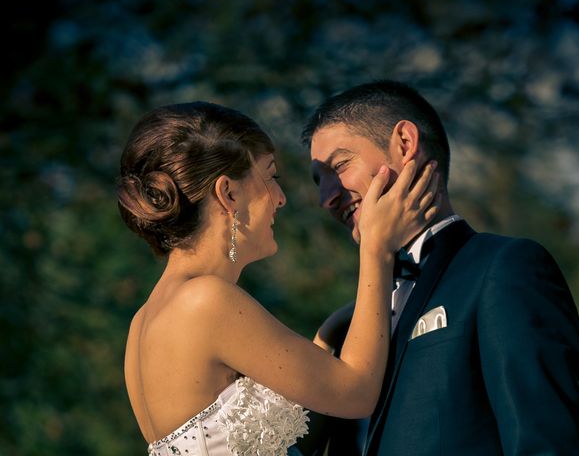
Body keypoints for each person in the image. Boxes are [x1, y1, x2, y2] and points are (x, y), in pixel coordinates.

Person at [117, 101, 440, 455]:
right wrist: (377, 249)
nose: (281, 199)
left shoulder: (143, 321)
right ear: (228, 193)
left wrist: (327, 338)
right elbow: (357, 393)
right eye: (271, 176)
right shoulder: (205, 300)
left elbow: (290, 445)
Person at [300, 80, 579, 455]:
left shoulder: (503, 269)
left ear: (405, 143)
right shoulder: (349, 326)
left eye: (339, 165)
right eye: (319, 180)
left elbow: (545, 446)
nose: (327, 197)